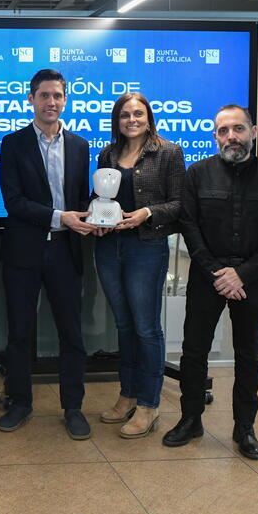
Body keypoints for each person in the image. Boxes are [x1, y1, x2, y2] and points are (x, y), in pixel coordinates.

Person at [163, 104, 258, 460]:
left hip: (253, 280)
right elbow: (190, 227)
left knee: (249, 355)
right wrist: (218, 273)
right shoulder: (197, 174)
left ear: (252, 131)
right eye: (223, 131)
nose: (230, 137)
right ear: (215, 136)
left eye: (237, 129)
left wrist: (242, 273)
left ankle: (244, 428)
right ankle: (191, 420)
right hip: (208, 277)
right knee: (193, 351)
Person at [0, 68, 93, 439]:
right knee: (21, 332)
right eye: (43, 95)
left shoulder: (81, 146)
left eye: (57, 96)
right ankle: (20, 402)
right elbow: (13, 202)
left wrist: (92, 214)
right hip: (24, 251)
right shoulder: (13, 143)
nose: (50, 102)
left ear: (65, 100)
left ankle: (73, 407)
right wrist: (60, 217)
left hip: (66, 252)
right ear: (31, 99)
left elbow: (81, 197)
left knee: (72, 334)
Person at [91, 93, 185, 438]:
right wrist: (95, 216)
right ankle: (127, 394)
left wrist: (147, 213)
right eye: (125, 114)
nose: (132, 119)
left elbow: (179, 204)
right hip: (108, 246)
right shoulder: (108, 154)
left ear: (149, 117)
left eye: (138, 114)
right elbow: (100, 198)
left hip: (147, 247)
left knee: (146, 328)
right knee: (124, 326)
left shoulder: (169, 152)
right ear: (117, 120)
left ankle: (149, 403)